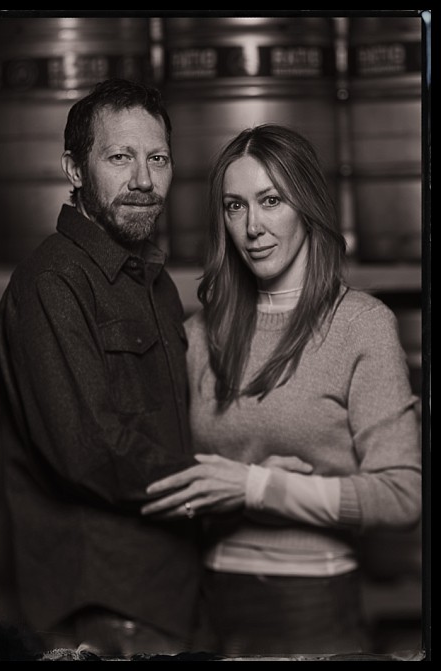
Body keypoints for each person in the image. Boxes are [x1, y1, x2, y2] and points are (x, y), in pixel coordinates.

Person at [140, 124, 422, 656]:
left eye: (271, 201)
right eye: (234, 206)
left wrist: (256, 488)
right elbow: (180, 487)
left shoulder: (359, 325)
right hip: (205, 604)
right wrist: (226, 494)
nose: (252, 227)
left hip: (312, 606)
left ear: (306, 205)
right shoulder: (201, 333)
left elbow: (403, 495)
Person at [0, 78, 205, 658]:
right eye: (120, 157)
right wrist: (225, 485)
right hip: (103, 608)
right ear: (75, 169)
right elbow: (89, 449)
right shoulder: (53, 282)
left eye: (157, 158)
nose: (143, 181)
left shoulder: (151, 284)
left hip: (166, 592)